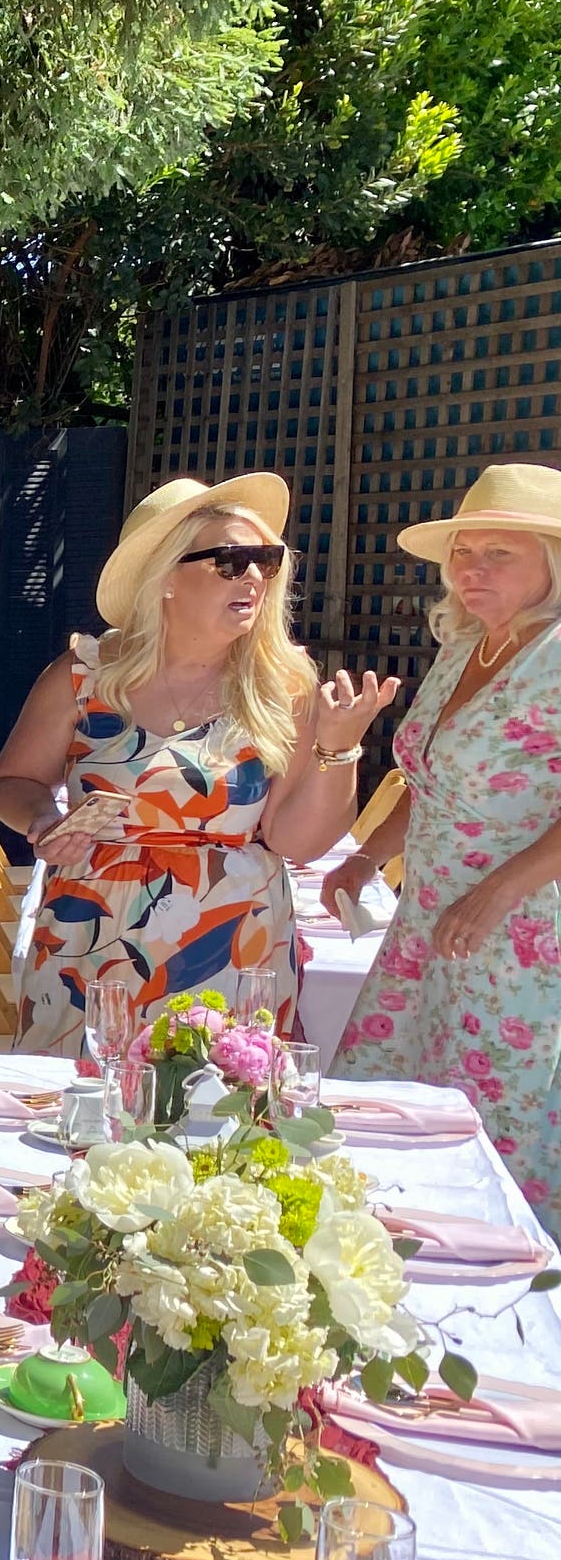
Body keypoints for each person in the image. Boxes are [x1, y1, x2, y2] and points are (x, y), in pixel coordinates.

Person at [0, 473, 398, 1054]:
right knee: (77, 1117)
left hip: (232, 947)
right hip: (92, 940)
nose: (255, 577)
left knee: (221, 1126)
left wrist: (339, 747)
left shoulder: (285, 686)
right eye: (231, 560)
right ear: (166, 577)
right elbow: (13, 781)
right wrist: (42, 821)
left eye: (265, 560)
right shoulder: (84, 676)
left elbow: (295, 843)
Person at [321, 464, 561, 1229]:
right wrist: (363, 858)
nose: (473, 569)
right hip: (429, 922)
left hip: (518, 933)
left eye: (502, 554)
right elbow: (431, 785)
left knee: (500, 1132)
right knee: (396, 1115)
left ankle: (510, 1314)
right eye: (465, 552)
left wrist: (496, 892)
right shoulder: (466, 647)